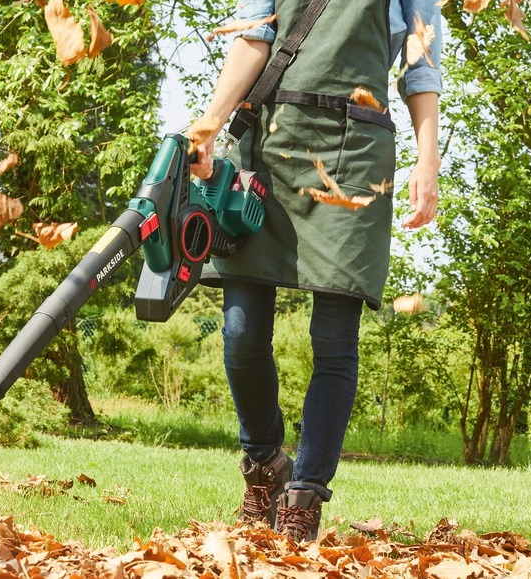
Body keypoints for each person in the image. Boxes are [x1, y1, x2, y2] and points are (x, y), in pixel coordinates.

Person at [189, 0, 442, 541]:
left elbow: (420, 68)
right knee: (240, 333)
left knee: (333, 339)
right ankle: (263, 464)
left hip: (355, 155)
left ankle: (305, 494)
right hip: (267, 143)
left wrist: (428, 162)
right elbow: (254, 38)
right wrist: (209, 125)